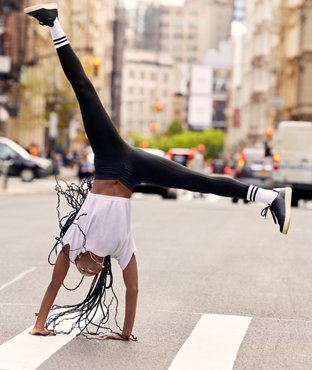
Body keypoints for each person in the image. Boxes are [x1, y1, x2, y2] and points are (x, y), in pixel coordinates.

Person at [24, 3, 292, 340]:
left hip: (109, 156)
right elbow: (132, 290)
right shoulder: (120, 247)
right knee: (198, 181)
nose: (88, 273)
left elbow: (53, 283)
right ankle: (271, 196)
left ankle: (53, 24)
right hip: (135, 170)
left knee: (84, 90)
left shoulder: (74, 240)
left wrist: (39, 324)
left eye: (83, 271)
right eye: (92, 274)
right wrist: (125, 333)